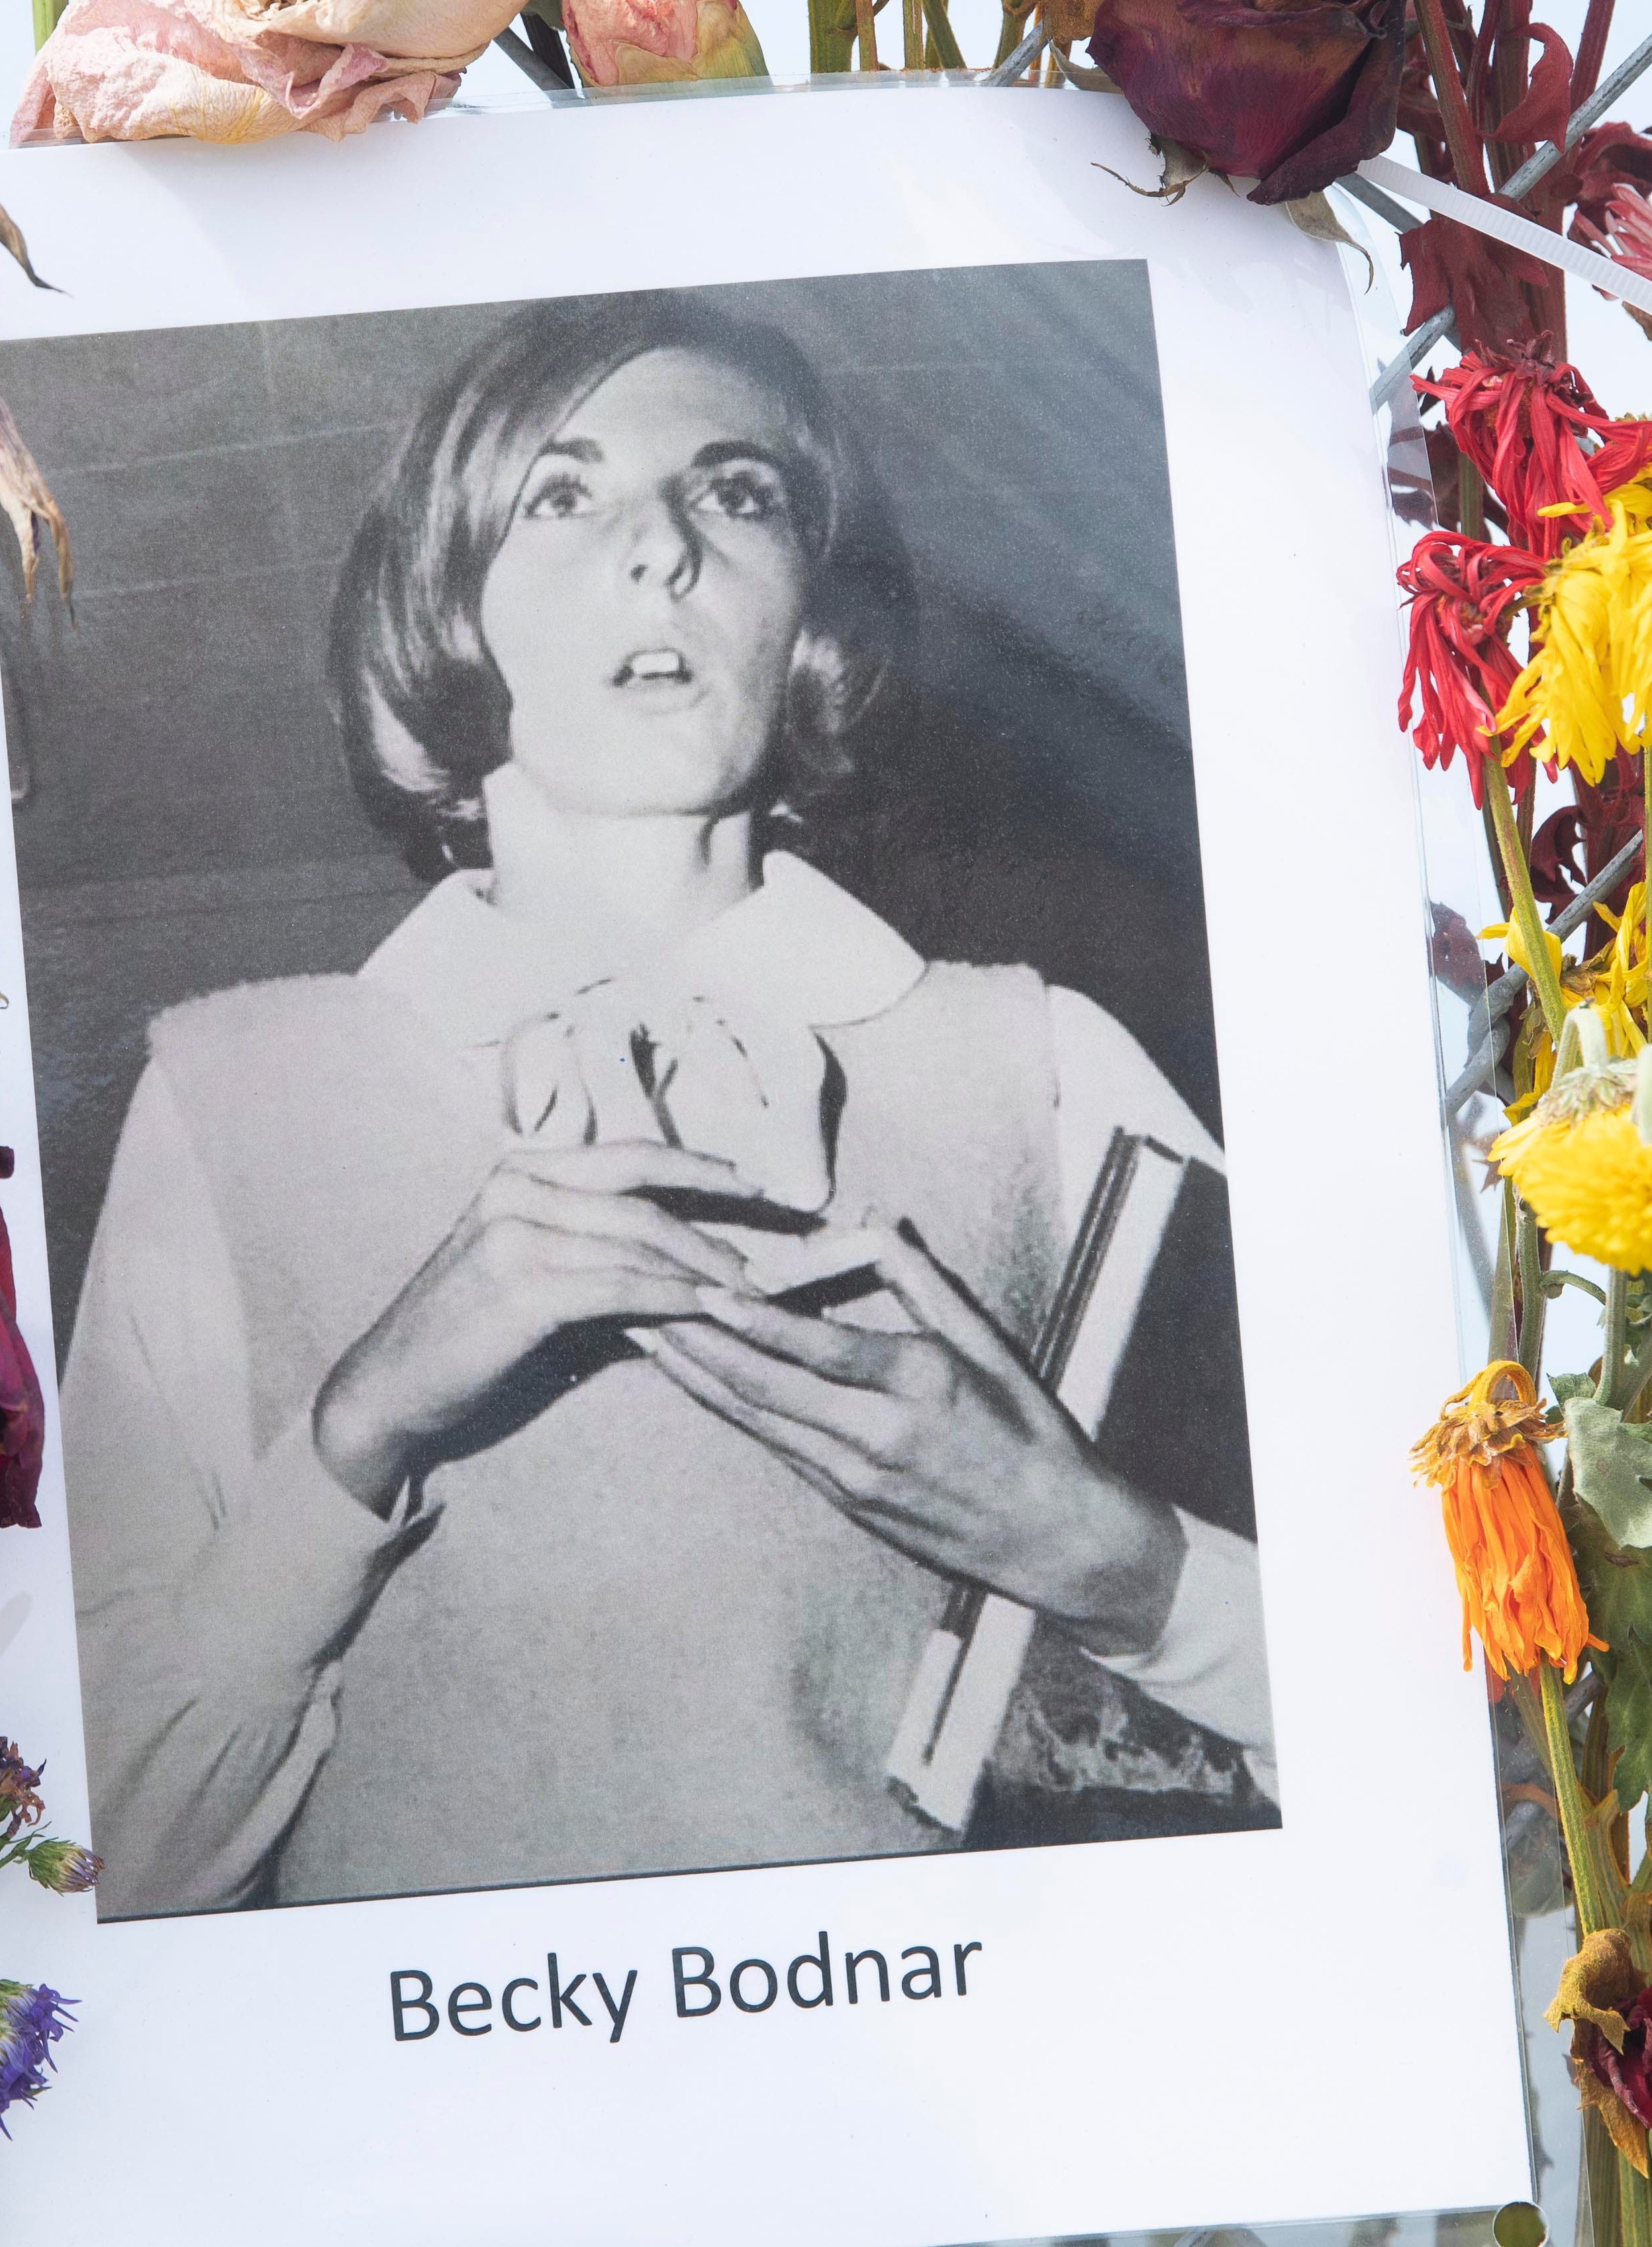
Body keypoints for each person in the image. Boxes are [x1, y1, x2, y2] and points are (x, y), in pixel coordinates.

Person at [64, 290, 1270, 1917]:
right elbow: (95, 1868)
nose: (663, 547)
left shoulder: (1051, 1063)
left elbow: (1457, 1734)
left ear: (812, 614)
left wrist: (1106, 1556)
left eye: (736, 492)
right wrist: (359, 1427)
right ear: (444, 605)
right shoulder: (230, 1097)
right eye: (562, 493)